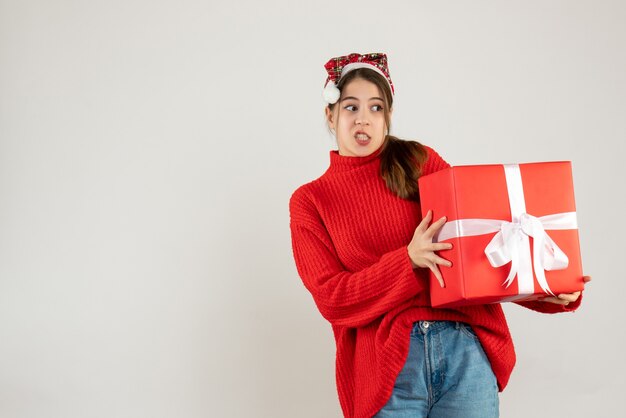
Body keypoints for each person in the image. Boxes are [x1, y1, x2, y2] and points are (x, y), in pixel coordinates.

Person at [288, 52, 591, 418]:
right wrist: (408, 260)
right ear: (330, 115)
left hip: (465, 352)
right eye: (351, 107)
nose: (363, 119)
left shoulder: (419, 161)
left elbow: (477, 247)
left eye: (376, 107)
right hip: (387, 367)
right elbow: (332, 299)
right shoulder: (311, 200)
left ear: (389, 116)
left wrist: (546, 290)